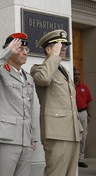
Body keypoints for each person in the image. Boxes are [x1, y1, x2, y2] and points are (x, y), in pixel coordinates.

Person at [0, 33, 39, 176]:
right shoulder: (0, 73)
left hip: (26, 139)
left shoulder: (29, 78)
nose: (25, 52)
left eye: (26, 49)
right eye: (20, 48)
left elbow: (30, 107)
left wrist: (32, 136)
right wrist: (8, 50)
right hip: (6, 138)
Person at [30, 29, 83, 176]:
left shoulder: (63, 71)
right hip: (56, 132)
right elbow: (44, 79)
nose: (63, 47)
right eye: (59, 44)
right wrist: (53, 57)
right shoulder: (39, 69)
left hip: (72, 132)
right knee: (56, 173)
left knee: (71, 173)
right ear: (48, 49)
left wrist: (78, 128)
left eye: (65, 45)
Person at [74, 67, 93, 168]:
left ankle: (80, 159)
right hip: (73, 114)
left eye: (78, 74)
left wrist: (89, 114)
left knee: (83, 136)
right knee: (74, 137)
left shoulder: (84, 87)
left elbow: (89, 101)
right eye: (75, 74)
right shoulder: (70, 86)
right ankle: (73, 159)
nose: (77, 76)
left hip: (83, 113)